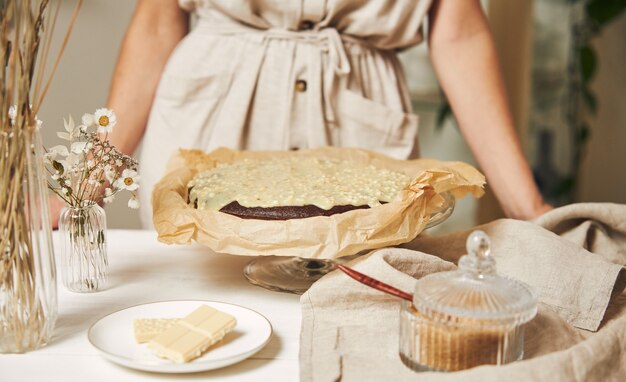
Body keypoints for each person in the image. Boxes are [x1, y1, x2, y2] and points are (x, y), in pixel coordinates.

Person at [51, 0, 551, 228]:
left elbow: (458, 31)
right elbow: (158, 21)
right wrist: (81, 188)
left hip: (361, 135)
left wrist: (529, 209)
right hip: (211, 120)